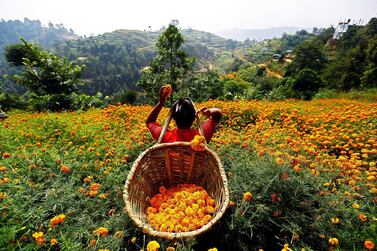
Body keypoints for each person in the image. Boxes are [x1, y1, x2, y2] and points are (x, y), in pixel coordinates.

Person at [146, 86, 222, 143]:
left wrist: (161, 103)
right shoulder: (201, 136)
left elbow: (149, 122)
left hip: (171, 164)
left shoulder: (164, 136)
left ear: (173, 118)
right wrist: (208, 112)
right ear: (194, 118)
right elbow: (218, 113)